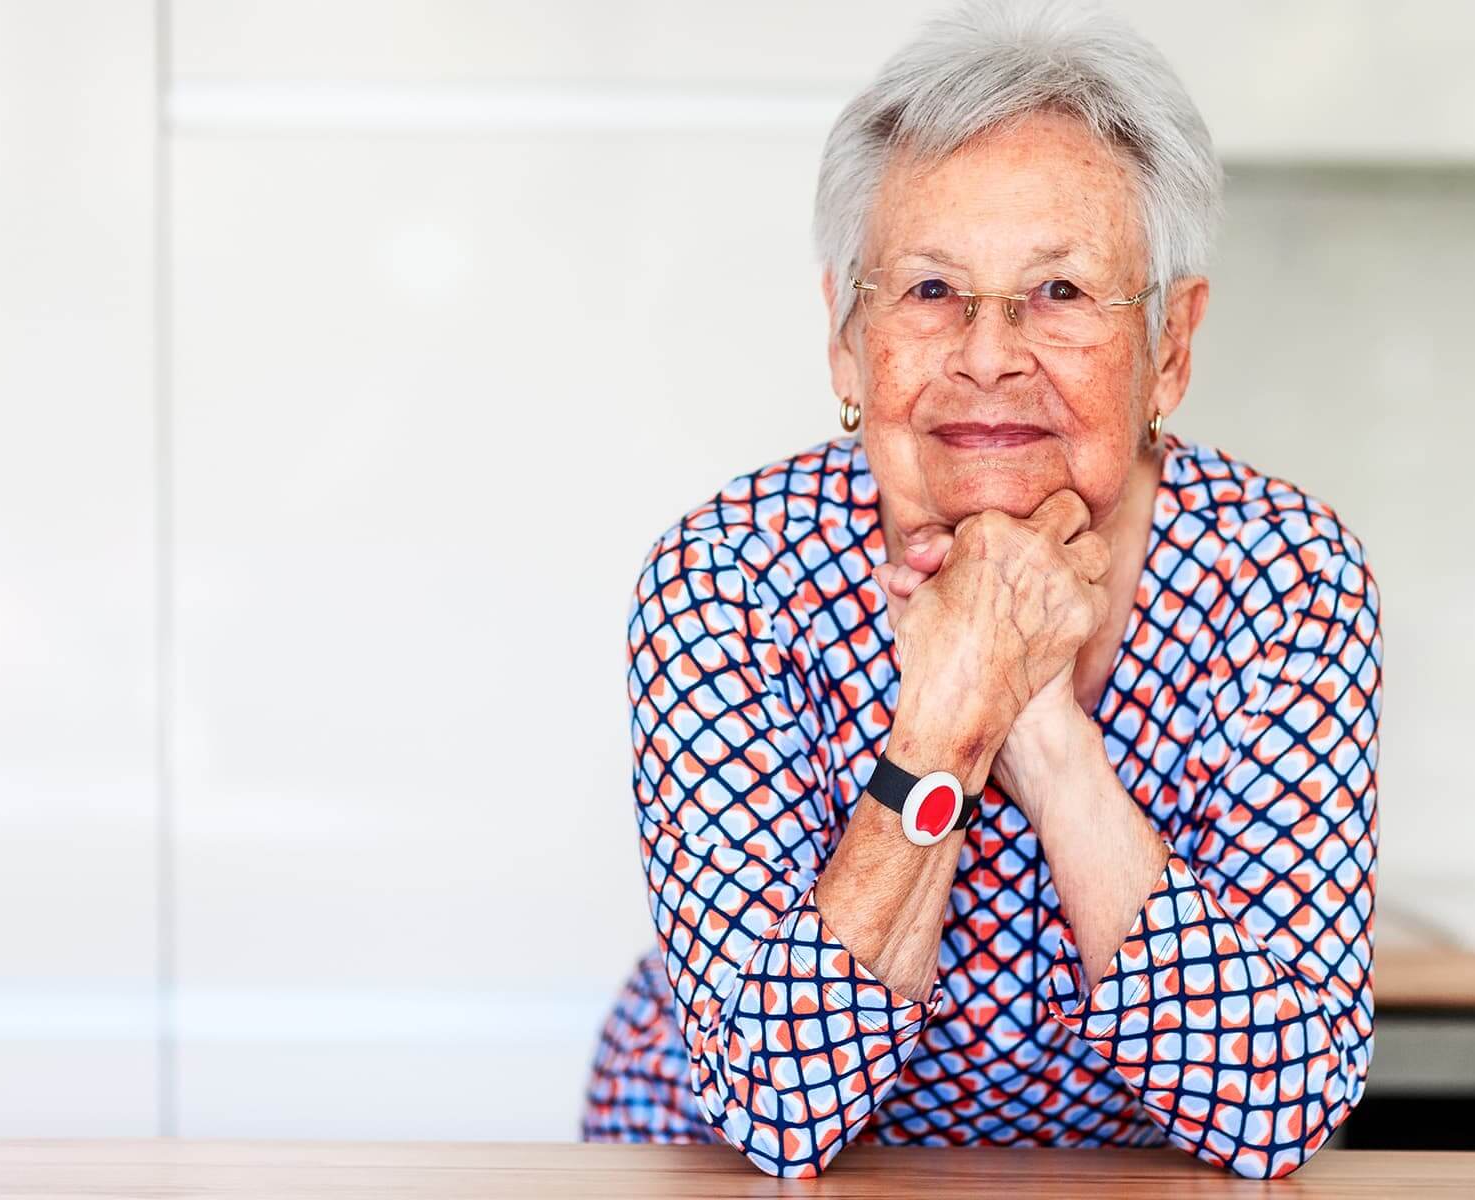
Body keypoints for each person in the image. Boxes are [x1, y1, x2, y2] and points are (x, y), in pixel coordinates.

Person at [582, 0, 1380, 1180]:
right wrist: (948, 721)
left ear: (1169, 347)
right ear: (847, 340)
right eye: (928, 290)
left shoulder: (1288, 580)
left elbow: (1277, 1111)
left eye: (1059, 293)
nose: (987, 351)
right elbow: (777, 1111)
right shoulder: (726, 582)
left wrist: (1044, 728)